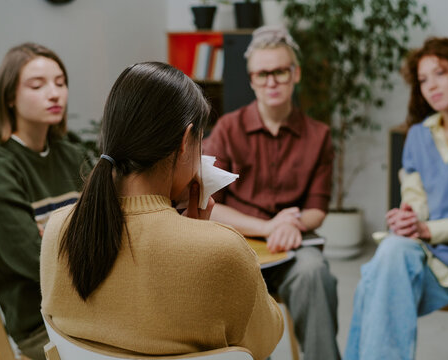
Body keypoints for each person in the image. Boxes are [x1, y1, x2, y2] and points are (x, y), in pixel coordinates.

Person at [40, 62, 283, 359]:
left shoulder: (58, 229)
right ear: (185, 142)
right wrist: (200, 238)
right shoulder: (224, 249)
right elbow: (265, 340)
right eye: (200, 142)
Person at [345, 37, 448, 360]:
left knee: (374, 280)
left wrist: (427, 230)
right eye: (423, 80)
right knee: (391, 254)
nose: (431, 86)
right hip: (419, 253)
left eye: (440, 73)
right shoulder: (418, 135)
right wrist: (409, 218)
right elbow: (416, 198)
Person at [203, 25, 340, 360]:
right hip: (237, 246)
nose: (272, 81)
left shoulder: (319, 136)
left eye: (280, 71)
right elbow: (208, 203)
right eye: (262, 74)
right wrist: (268, 227)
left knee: (315, 272)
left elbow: (317, 208)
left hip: (293, 247)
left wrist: (291, 226)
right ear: (252, 80)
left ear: (295, 74)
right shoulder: (228, 129)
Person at [0, 43, 91, 359]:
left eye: (60, 83)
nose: (54, 94)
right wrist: (85, 239)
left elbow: (114, 224)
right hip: (42, 323)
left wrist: (55, 236)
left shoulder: (73, 154)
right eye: (37, 86)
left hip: (92, 303)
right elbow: (34, 260)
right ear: (9, 97)